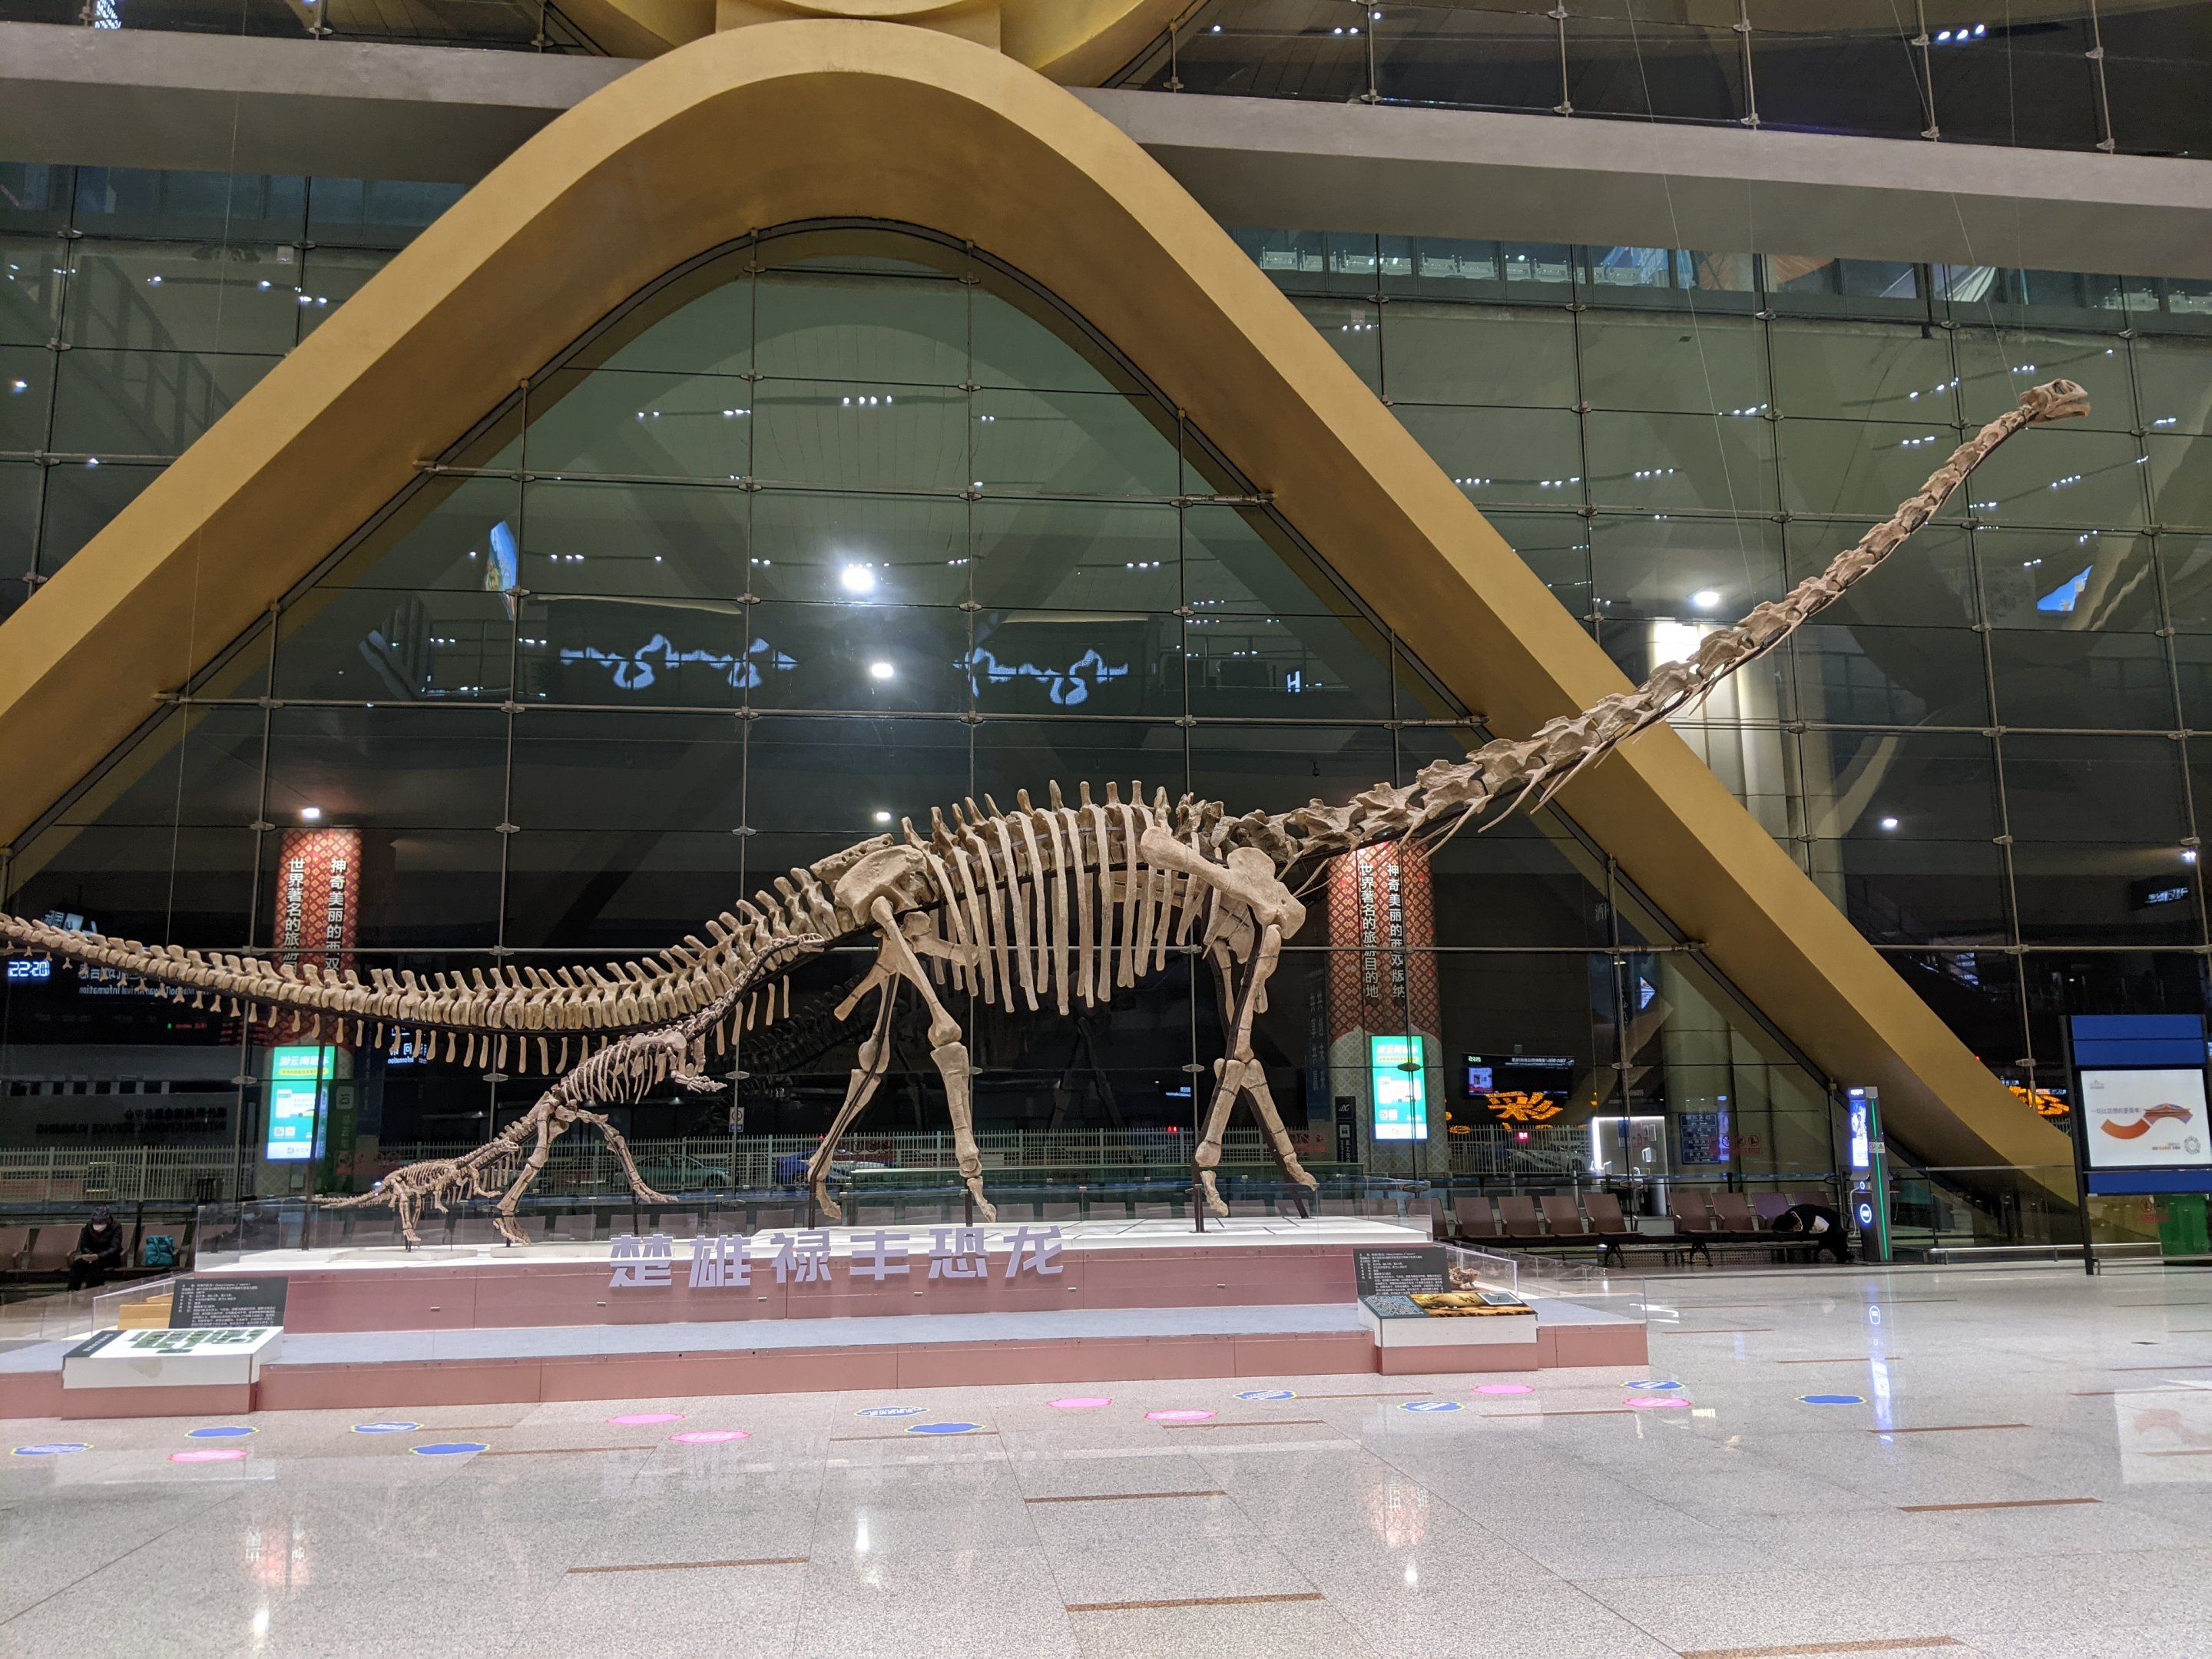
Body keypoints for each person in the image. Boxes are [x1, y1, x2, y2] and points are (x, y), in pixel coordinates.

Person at [67, 1207, 127, 1291]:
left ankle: (91, 1290)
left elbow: (114, 1248)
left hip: (109, 1257)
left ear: (108, 1220)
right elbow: (84, 1245)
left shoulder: (116, 1226)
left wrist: (98, 1256)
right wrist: (90, 1254)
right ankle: (72, 1290)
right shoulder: (89, 1226)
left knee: (95, 1266)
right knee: (78, 1264)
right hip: (91, 1255)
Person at [1771, 1200, 1850, 1263]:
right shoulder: (1792, 1215)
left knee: (1836, 1234)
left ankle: (1843, 1255)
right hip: (1825, 1219)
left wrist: (1801, 1230)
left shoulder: (1795, 1215)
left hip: (1829, 1217)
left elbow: (1806, 1225)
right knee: (1833, 1235)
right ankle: (1843, 1255)